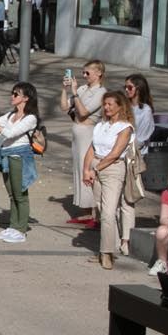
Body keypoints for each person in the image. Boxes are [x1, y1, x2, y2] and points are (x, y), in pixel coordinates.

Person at [0, 82, 41, 243]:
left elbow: (10, 133)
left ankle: (21, 229)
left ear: (26, 98)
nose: (12, 96)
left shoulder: (30, 118)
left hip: (20, 157)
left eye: (16, 94)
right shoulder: (10, 115)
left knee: (20, 194)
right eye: (12, 93)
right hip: (6, 155)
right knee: (12, 194)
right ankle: (13, 226)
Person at [84, 89, 135, 270]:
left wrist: (96, 169)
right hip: (97, 166)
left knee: (108, 212)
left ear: (120, 106)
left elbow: (115, 153)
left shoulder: (125, 128)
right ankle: (106, 248)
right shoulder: (100, 126)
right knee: (99, 208)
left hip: (113, 169)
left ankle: (107, 253)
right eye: (104, 104)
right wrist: (86, 169)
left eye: (109, 104)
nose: (106, 108)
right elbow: (92, 148)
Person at [60, 60, 107, 225]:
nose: (84, 76)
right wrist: (65, 90)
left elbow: (84, 112)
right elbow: (65, 108)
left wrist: (75, 93)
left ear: (98, 73)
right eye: (83, 73)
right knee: (79, 170)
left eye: (88, 73)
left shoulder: (101, 92)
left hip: (88, 132)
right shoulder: (81, 89)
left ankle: (94, 211)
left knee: (86, 168)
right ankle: (86, 210)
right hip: (77, 133)